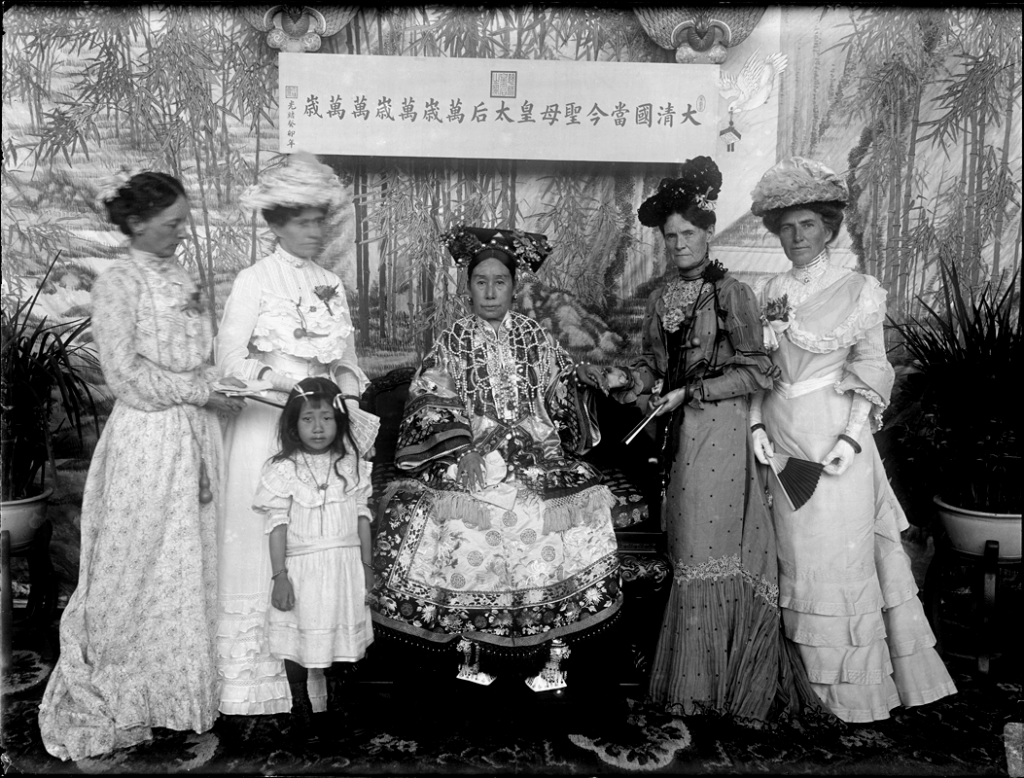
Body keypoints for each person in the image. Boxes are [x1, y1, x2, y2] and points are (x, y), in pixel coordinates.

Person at [576, 156, 827, 726]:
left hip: (721, 434)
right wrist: (625, 379)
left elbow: (759, 371)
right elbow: (653, 369)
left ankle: (716, 688)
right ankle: (698, 682)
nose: (680, 244)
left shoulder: (733, 294)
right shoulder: (663, 297)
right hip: (676, 440)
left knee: (704, 554)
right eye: (671, 237)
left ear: (708, 232)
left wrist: (692, 393)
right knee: (686, 551)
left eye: (689, 234)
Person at [38, 172, 245, 760]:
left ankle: (176, 703)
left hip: (194, 437)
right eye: (173, 222)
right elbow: (123, 375)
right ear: (137, 222)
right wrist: (195, 392)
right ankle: (128, 696)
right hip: (148, 440)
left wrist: (218, 387)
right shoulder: (118, 283)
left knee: (184, 567)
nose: (183, 231)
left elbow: (198, 357)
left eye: (184, 220)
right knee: (137, 567)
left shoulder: (179, 276)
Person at [747, 156, 957, 722]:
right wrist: (756, 425)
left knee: (835, 561)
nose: (797, 237)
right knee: (792, 558)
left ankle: (848, 697)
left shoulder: (859, 289)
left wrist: (852, 438)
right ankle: (797, 688)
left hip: (836, 439)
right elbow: (758, 372)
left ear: (829, 228)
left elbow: (871, 365)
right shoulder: (765, 289)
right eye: (786, 226)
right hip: (783, 439)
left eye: (808, 225)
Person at [370, 226, 622, 684]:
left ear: (514, 286)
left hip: (534, 451)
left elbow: (558, 390)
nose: (490, 291)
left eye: (499, 282)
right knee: (457, 521)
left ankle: (553, 650)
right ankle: (471, 650)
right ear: (467, 288)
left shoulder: (534, 337)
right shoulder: (452, 340)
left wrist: (578, 382)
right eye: (480, 281)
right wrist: (461, 448)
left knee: (568, 515)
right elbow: (430, 399)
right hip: (473, 451)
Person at [214, 153, 376, 718]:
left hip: (320, 440)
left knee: (316, 552)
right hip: (266, 434)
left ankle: (314, 678)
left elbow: (349, 363)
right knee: (264, 547)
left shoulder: (331, 283)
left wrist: (347, 404)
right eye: (303, 222)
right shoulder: (253, 281)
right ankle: (250, 691)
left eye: (319, 221)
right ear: (277, 223)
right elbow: (229, 359)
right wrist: (287, 384)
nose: (314, 232)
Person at [255, 377, 376, 738]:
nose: (318, 427)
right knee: (299, 637)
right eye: (308, 419)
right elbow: (276, 526)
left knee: (341, 637)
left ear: (339, 421)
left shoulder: (351, 463)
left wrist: (367, 570)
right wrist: (280, 577)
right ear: (293, 424)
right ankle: (301, 706)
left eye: (326, 418)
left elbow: (362, 519)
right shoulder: (284, 468)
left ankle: (338, 704)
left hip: (344, 567)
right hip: (304, 568)